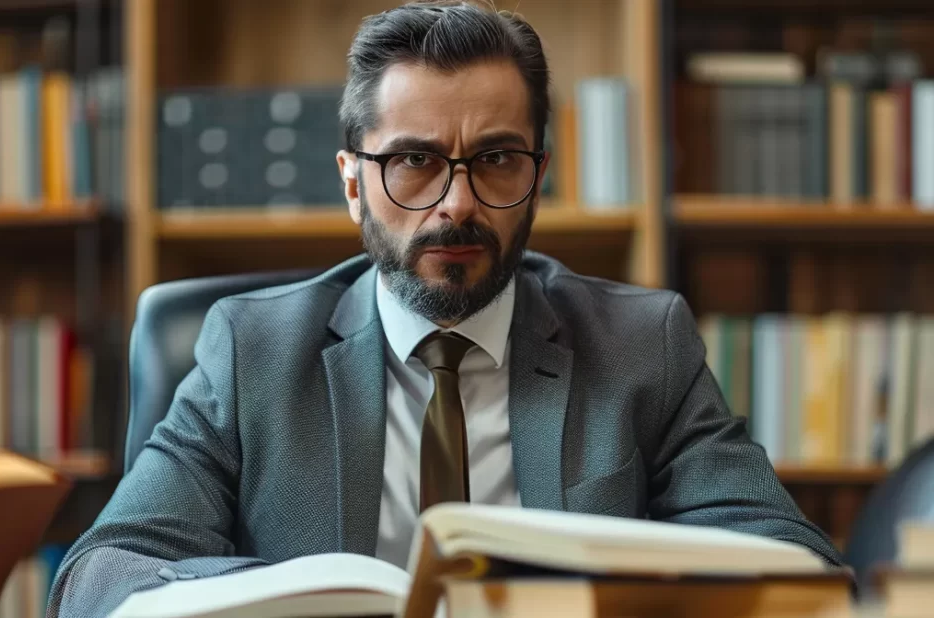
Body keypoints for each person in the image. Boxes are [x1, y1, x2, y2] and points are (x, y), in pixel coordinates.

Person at [46, 2, 842, 616]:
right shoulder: (251, 351)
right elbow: (102, 572)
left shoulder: (642, 343)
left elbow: (793, 562)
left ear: (541, 172)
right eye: (414, 162)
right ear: (353, 180)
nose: (456, 204)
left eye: (496, 160)